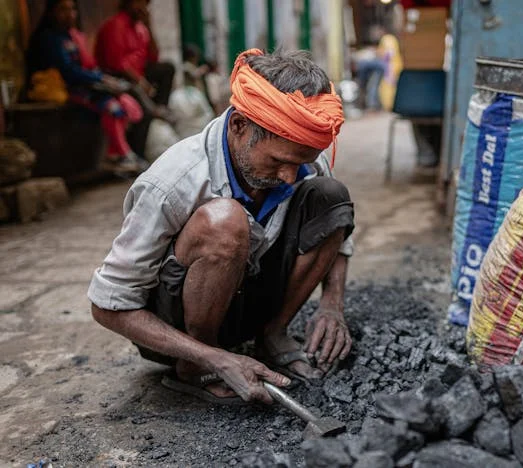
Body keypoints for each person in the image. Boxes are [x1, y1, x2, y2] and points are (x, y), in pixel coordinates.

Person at [89, 49, 355, 405]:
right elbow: (109, 304)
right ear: (239, 126)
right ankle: (196, 364)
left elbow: (336, 233)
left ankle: (272, 335)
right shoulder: (173, 181)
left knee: (330, 195)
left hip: (248, 299)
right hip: (179, 325)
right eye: (277, 161)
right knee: (225, 222)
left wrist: (332, 305)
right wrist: (211, 356)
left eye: (300, 162)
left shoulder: (302, 158)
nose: (289, 177)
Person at [26, 0, 147, 175]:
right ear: (51, 13)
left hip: (79, 85)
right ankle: (121, 154)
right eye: (63, 9)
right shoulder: (49, 39)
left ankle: (117, 153)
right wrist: (100, 78)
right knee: (112, 107)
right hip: (60, 90)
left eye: (72, 9)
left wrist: (101, 79)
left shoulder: (69, 36)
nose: (69, 14)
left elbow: (84, 65)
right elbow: (68, 71)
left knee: (124, 102)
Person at [95, 0, 176, 158]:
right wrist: (140, 82)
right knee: (144, 111)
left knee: (167, 68)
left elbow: (154, 56)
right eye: (139, 3)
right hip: (117, 77)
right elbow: (117, 63)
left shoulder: (140, 28)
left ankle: (160, 108)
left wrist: (149, 26)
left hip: (138, 73)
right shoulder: (116, 25)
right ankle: (137, 153)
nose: (143, 8)